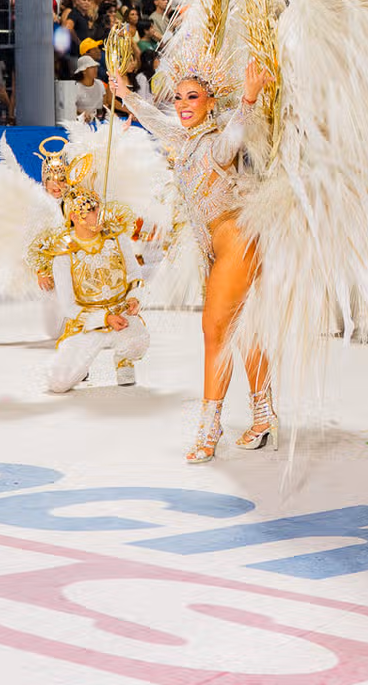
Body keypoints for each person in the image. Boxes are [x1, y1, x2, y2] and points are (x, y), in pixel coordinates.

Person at [112, 57, 276, 462]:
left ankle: (209, 427)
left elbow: (234, 136)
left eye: (193, 98)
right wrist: (125, 94)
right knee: (245, 330)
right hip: (220, 248)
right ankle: (263, 414)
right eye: (179, 97)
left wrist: (249, 99)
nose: (183, 105)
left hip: (237, 242)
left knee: (214, 332)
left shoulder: (216, 142)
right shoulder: (185, 140)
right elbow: (154, 119)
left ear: (210, 102)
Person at [33, 175, 153, 391]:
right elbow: (68, 306)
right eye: (92, 210)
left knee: (138, 340)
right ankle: (79, 365)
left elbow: (134, 274)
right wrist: (105, 318)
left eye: (98, 208)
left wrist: (134, 298)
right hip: (86, 324)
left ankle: (123, 359)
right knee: (58, 384)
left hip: (121, 315)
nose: (100, 214)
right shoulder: (64, 252)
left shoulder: (116, 237)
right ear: (75, 217)